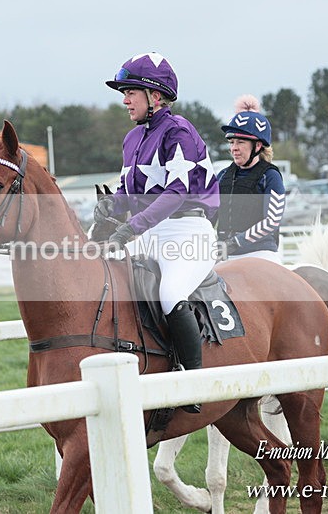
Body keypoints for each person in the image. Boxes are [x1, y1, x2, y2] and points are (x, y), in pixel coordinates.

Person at [95, 52, 220, 412]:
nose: (125, 100)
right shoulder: (132, 138)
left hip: (189, 232)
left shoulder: (179, 131)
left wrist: (130, 228)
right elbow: (127, 192)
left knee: (169, 293)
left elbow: (177, 192)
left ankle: (193, 385)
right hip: (152, 233)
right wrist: (111, 206)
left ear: (155, 96)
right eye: (124, 93)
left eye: (130, 92)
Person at [216, 95, 285, 264]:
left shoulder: (271, 176)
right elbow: (209, 213)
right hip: (224, 254)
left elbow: (271, 221)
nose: (234, 148)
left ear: (258, 146)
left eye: (240, 142)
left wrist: (236, 242)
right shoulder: (222, 176)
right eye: (232, 142)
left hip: (260, 253)